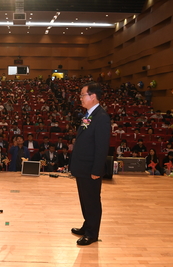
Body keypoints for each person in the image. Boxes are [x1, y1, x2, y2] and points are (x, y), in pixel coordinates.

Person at [70, 82, 111, 246]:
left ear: (93, 96)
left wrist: (96, 170)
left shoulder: (101, 117)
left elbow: (102, 147)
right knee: (85, 199)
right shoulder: (89, 114)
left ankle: (92, 233)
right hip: (82, 167)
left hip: (90, 168)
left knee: (92, 200)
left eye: (83, 95)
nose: (80, 98)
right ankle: (87, 225)